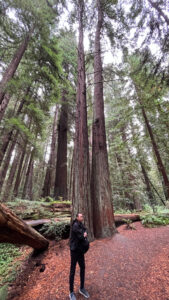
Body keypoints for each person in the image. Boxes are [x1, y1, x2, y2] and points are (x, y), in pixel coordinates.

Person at [69, 213, 90, 300]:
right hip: (74, 251)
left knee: (83, 267)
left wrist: (84, 234)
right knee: (73, 270)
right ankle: (71, 292)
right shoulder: (75, 225)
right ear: (77, 217)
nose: (82, 217)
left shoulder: (81, 224)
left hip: (80, 250)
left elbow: (85, 231)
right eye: (81, 216)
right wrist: (84, 234)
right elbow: (81, 236)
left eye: (82, 216)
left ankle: (81, 288)